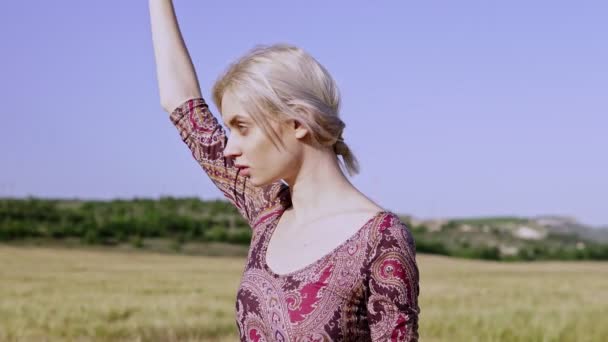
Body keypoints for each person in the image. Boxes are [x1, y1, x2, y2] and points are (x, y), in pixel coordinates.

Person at [149, 1, 420, 340]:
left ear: (298, 122)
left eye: (242, 127)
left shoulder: (380, 238)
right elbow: (180, 102)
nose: (230, 147)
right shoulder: (268, 210)